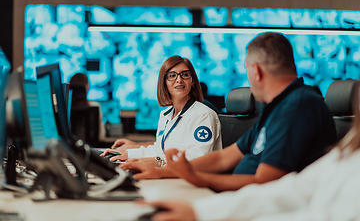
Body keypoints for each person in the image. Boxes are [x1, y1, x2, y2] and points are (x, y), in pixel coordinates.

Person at [121, 32, 337, 192]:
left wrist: (198, 180)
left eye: (246, 69)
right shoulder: (277, 108)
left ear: (257, 71)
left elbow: (265, 183)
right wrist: (164, 172)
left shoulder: (298, 107)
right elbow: (224, 158)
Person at [141, 82, 360, 221]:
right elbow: (292, 190)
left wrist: (197, 186)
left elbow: (321, 215)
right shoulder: (345, 154)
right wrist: (200, 212)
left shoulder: (298, 109)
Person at [102, 55, 222, 167]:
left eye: (184, 75)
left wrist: (158, 161)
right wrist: (127, 154)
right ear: (164, 83)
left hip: (195, 182)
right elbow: (159, 150)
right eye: (172, 76)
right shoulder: (166, 115)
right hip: (172, 176)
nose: (179, 80)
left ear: (193, 81)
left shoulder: (203, 115)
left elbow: (199, 158)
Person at [69, 73, 106, 141]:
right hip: (90, 149)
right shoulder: (95, 106)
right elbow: (101, 136)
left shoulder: (64, 108)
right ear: (87, 87)